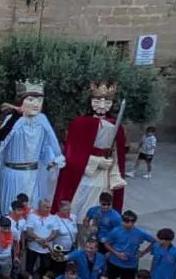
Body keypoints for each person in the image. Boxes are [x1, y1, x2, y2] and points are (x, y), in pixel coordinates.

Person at [54, 82, 128, 216]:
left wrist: (114, 172)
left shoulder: (116, 126)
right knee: (80, 203)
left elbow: (117, 153)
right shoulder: (79, 123)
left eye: (106, 102)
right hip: (85, 174)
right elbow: (72, 153)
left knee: (102, 201)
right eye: (97, 101)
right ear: (90, 102)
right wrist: (96, 161)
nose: (101, 105)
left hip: (104, 175)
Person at [0, 80, 65, 214]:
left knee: (31, 210)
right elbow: (1, 145)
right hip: (12, 174)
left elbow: (47, 146)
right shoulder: (13, 120)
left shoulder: (43, 120)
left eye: (39, 100)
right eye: (31, 99)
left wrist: (52, 160)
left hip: (33, 175)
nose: (36, 104)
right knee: (11, 209)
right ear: (21, 101)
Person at [102, 210, 155, 279]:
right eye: (127, 221)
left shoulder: (140, 233)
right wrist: (117, 254)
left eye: (132, 221)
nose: (130, 223)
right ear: (122, 221)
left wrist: (143, 253)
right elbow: (106, 244)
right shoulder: (116, 231)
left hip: (130, 265)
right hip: (114, 262)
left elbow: (154, 241)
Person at [24, 199, 60, 279]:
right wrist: (40, 240)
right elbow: (29, 230)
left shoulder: (53, 218)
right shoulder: (32, 216)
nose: (48, 209)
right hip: (33, 248)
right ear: (40, 207)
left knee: (45, 267)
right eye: (46, 207)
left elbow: (55, 232)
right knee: (29, 267)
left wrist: (46, 240)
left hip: (46, 248)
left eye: (49, 207)